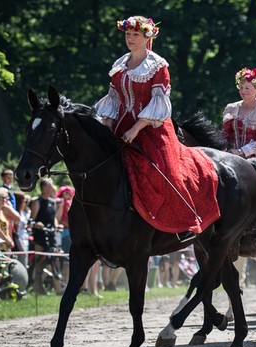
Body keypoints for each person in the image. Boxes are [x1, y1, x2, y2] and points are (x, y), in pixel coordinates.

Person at [94, 15, 220, 239]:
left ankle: (184, 223)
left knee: (165, 171)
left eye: (135, 35)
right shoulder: (119, 65)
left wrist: (136, 129)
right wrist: (106, 127)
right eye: (127, 34)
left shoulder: (158, 66)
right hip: (121, 128)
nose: (130, 39)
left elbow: (158, 103)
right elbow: (113, 100)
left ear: (147, 37)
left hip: (151, 129)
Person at [222, 68, 256, 168]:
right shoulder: (231, 108)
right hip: (232, 155)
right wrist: (222, 149)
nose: (243, 91)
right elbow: (225, 135)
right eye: (241, 87)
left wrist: (240, 151)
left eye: (247, 88)